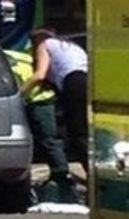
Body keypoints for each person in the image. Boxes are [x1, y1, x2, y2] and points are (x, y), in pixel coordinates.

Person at [6, 50, 77, 203]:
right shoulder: (17, 56)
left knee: (48, 139)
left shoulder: (7, 63)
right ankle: (59, 177)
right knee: (46, 140)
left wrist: (18, 96)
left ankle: (61, 177)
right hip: (41, 98)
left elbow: (36, 78)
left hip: (40, 100)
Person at [20, 28, 88, 174]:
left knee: (78, 136)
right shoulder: (69, 46)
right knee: (86, 131)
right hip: (88, 81)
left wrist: (20, 94)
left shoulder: (44, 44)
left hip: (73, 82)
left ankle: (94, 177)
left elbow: (40, 75)